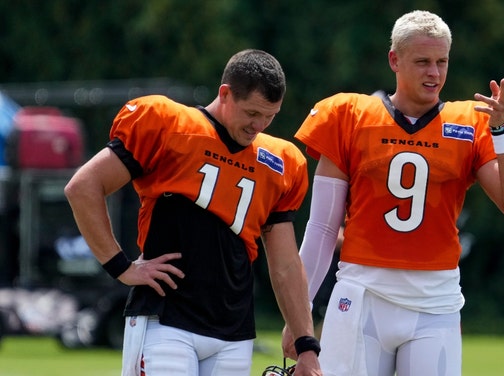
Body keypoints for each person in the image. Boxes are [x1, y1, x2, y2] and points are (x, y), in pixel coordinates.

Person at [282, 10, 504, 376]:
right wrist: (300, 311)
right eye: (422, 62)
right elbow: (322, 228)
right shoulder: (349, 114)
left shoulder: (471, 121)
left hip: (435, 300)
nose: (434, 73)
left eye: (441, 61)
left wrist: (502, 132)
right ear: (394, 60)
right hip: (362, 290)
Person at [64, 49, 321, 376]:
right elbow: (83, 187)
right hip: (166, 319)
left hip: (234, 330)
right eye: (252, 112)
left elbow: (285, 263)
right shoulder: (169, 124)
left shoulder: (281, 161)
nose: (259, 125)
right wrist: (121, 267)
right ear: (225, 93)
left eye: (269, 116)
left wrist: (306, 343)